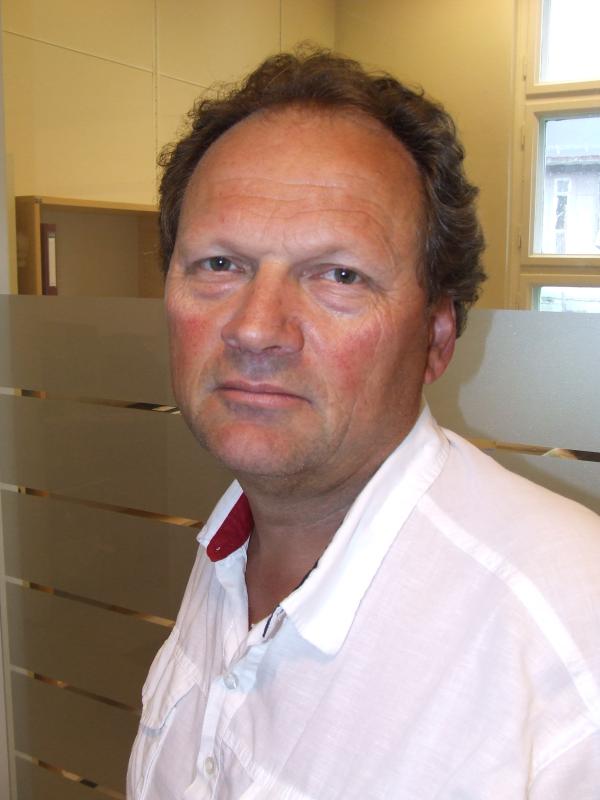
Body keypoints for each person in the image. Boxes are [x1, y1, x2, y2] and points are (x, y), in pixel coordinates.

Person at [127, 48, 600, 799]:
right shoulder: (235, 549)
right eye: (219, 264)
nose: (255, 328)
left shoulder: (565, 642)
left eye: (340, 276)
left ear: (436, 337)